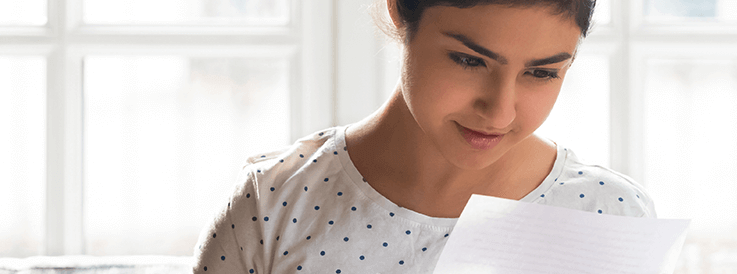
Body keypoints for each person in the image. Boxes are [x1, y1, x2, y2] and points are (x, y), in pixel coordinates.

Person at [193, 0, 655, 272]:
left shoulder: (613, 217)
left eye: (542, 72)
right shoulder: (271, 204)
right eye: (469, 60)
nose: (499, 111)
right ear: (398, 11)